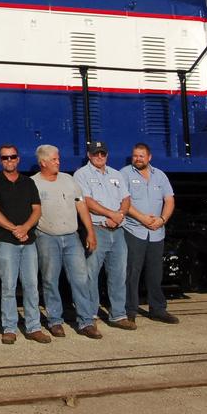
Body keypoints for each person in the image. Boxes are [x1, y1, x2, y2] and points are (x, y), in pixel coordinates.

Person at [32, 144, 100, 339]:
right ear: (43, 162)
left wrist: (90, 231)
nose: (58, 161)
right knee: (50, 280)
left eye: (58, 158)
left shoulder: (69, 180)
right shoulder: (33, 183)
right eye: (54, 159)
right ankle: (55, 321)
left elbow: (81, 206)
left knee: (80, 278)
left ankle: (86, 321)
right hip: (46, 237)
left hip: (72, 238)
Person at [0, 143, 49, 344]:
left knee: (31, 285)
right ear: (0, 160)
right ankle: (9, 328)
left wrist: (25, 228)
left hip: (28, 241)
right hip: (6, 242)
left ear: (18, 159)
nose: (9, 161)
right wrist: (14, 229)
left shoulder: (28, 183)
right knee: (9, 286)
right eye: (5, 158)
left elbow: (36, 209)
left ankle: (33, 327)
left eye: (12, 157)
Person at [76, 140, 135, 331]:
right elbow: (87, 201)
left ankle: (118, 315)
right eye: (95, 154)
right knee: (91, 274)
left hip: (118, 231)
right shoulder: (81, 175)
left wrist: (119, 216)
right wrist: (111, 215)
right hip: (97, 228)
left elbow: (126, 199)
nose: (99, 157)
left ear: (107, 155)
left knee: (118, 274)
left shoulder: (116, 174)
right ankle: (90, 314)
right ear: (89, 155)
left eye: (102, 154)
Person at [122, 142, 179, 324]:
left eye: (141, 156)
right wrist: (143, 219)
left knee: (155, 272)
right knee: (132, 272)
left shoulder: (160, 176)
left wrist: (162, 220)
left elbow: (169, 200)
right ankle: (129, 310)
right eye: (135, 156)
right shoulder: (124, 174)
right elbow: (124, 202)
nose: (138, 159)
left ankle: (158, 309)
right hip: (134, 230)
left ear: (149, 157)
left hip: (157, 232)